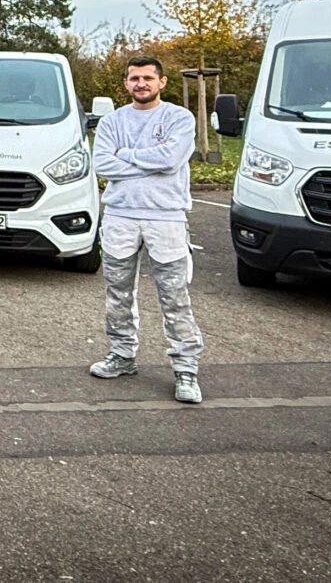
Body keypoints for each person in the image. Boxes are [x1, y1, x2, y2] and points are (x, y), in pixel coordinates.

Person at [88, 55, 206, 404]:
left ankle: (186, 369)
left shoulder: (179, 118)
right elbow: (102, 163)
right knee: (118, 291)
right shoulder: (112, 121)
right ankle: (122, 354)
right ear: (126, 83)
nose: (141, 84)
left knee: (174, 294)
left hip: (165, 217)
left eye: (148, 78)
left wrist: (126, 155)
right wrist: (150, 161)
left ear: (161, 82)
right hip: (120, 216)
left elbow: (172, 160)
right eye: (134, 78)